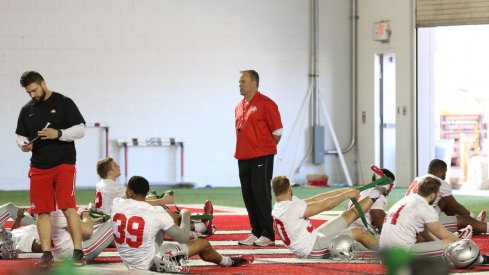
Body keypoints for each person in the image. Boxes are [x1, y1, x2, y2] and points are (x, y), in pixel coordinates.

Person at [15, 71, 86, 267]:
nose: (32, 95)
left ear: (43, 83)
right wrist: (23, 144)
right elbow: (20, 135)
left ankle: (78, 252)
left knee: (67, 207)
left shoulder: (64, 102)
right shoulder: (26, 109)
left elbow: (80, 129)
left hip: (63, 163)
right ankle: (46, 254)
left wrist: (59, 133)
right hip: (38, 166)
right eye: (29, 92)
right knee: (41, 211)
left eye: (35, 90)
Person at [110, 176, 254, 271]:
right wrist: (185, 215)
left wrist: (159, 204)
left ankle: (199, 227)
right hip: (150, 263)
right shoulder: (155, 211)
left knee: (161, 225)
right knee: (202, 243)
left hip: (129, 259)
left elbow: (131, 199)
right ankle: (229, 261)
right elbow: (183, 238)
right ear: (145, 193)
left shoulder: (116, 203)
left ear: (129, 191)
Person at [380, 176, 489, 268]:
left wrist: (440, 244)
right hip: (401, 255)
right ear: (432, 195)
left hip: (384, 253)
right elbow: (442, 234)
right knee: (453, 245)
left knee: (448, 242)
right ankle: (480, 259)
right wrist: (460, 243)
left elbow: (426, 233)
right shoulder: (424, 206)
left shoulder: (406, 200)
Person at [94, 157, 215, 237]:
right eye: (115, 165)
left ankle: (195, 225)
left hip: (112, 218)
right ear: (109, 172)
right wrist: (161, 201)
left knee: (154, 201)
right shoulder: (114, 187)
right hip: (119, 223)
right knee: (159, 210)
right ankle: (200, 226)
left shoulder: (101, 184)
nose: (118, 166)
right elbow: (140, 201)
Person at [271, 176, 380, 259]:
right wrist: (346, 195)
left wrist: (345, 191)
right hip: (312, 249)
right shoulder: (291, 209)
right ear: (289, 188)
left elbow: (316, 199)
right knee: (358, 232)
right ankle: (389, 252)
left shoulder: (282, 205)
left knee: (347, 215)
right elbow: (324, 205)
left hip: (312, 239)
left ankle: (377, 192)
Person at [235, 70, 283, 247]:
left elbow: (277, 132)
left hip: (261, 156)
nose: (240, 85)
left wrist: (265, 148)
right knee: (248, 194)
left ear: (254, 83)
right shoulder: (239, 106)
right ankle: (255, 231)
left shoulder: (267, 104)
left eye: (243, 82)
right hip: (243, 155)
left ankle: (268, 234)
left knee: (260, 193)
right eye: (239, 82)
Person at [406, 159, 489, 235]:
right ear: (439, 172)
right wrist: (473, 217)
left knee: (443, 200)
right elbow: (457, 207)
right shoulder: (440, 183)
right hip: (421, 225)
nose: (445, 175)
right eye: (445, 172)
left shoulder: (417, 179)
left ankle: (461, 225)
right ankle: (475, 223)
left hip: (409, 217)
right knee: (466, 220)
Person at [347, 168, 396, 233]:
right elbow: (378, 219)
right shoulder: (378, 195)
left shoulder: (361, 191)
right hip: (359, 233)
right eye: (390, 185)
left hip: (348, 229)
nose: (390, 189)